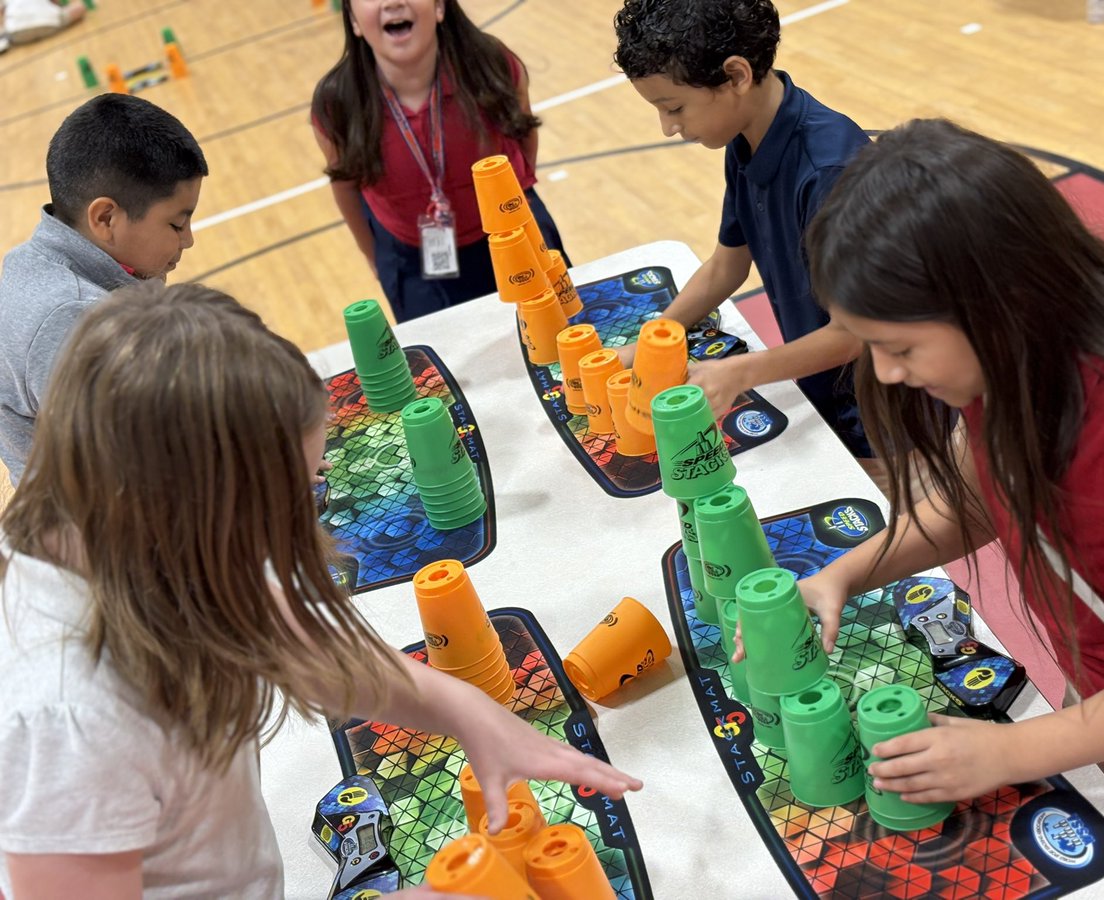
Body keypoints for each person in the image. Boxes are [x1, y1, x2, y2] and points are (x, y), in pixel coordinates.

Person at [0, 283, 641, 899]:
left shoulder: (136, 534)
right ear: (197, 504)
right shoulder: (64, 723)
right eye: (291, 496)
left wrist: (468, 714)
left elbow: (301, 640)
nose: (310, 511)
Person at [791, 117, 1104, 882]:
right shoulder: (997, 379)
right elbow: (978, 507)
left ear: (1002, 303)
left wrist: (1011, 750)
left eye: (900, 347)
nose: (885, 373)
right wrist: (844, 573)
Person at [613, 0, 873, 464]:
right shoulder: (746, 139)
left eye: (674, 107)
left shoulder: (830, 171)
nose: (668, 127)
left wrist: (740, 372)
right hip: (824, 393)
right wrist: (651, 340)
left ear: (736, 76)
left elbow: (855, 333)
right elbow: (725, 267)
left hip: (880, 416)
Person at [312, 0, 569, 324]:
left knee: (558, 336)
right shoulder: (337, 103)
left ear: (439, 7)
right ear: (353, 21)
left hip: (515, 236)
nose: (392, 2)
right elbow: (346, 187)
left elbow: (523, 134)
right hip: (413, 261)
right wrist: (374, 259)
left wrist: (515, 202)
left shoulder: (491, 65)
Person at [0, 93, 206, 484]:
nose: (188, 240)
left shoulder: (59, 260)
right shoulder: (71, 320)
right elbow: (135, 473)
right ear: (106, 218)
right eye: (177, 225)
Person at [0, 0, 86, 53]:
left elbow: (2, 13)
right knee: (80, 7)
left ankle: (4, 40)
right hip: (47, 21)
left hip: (16, 31)